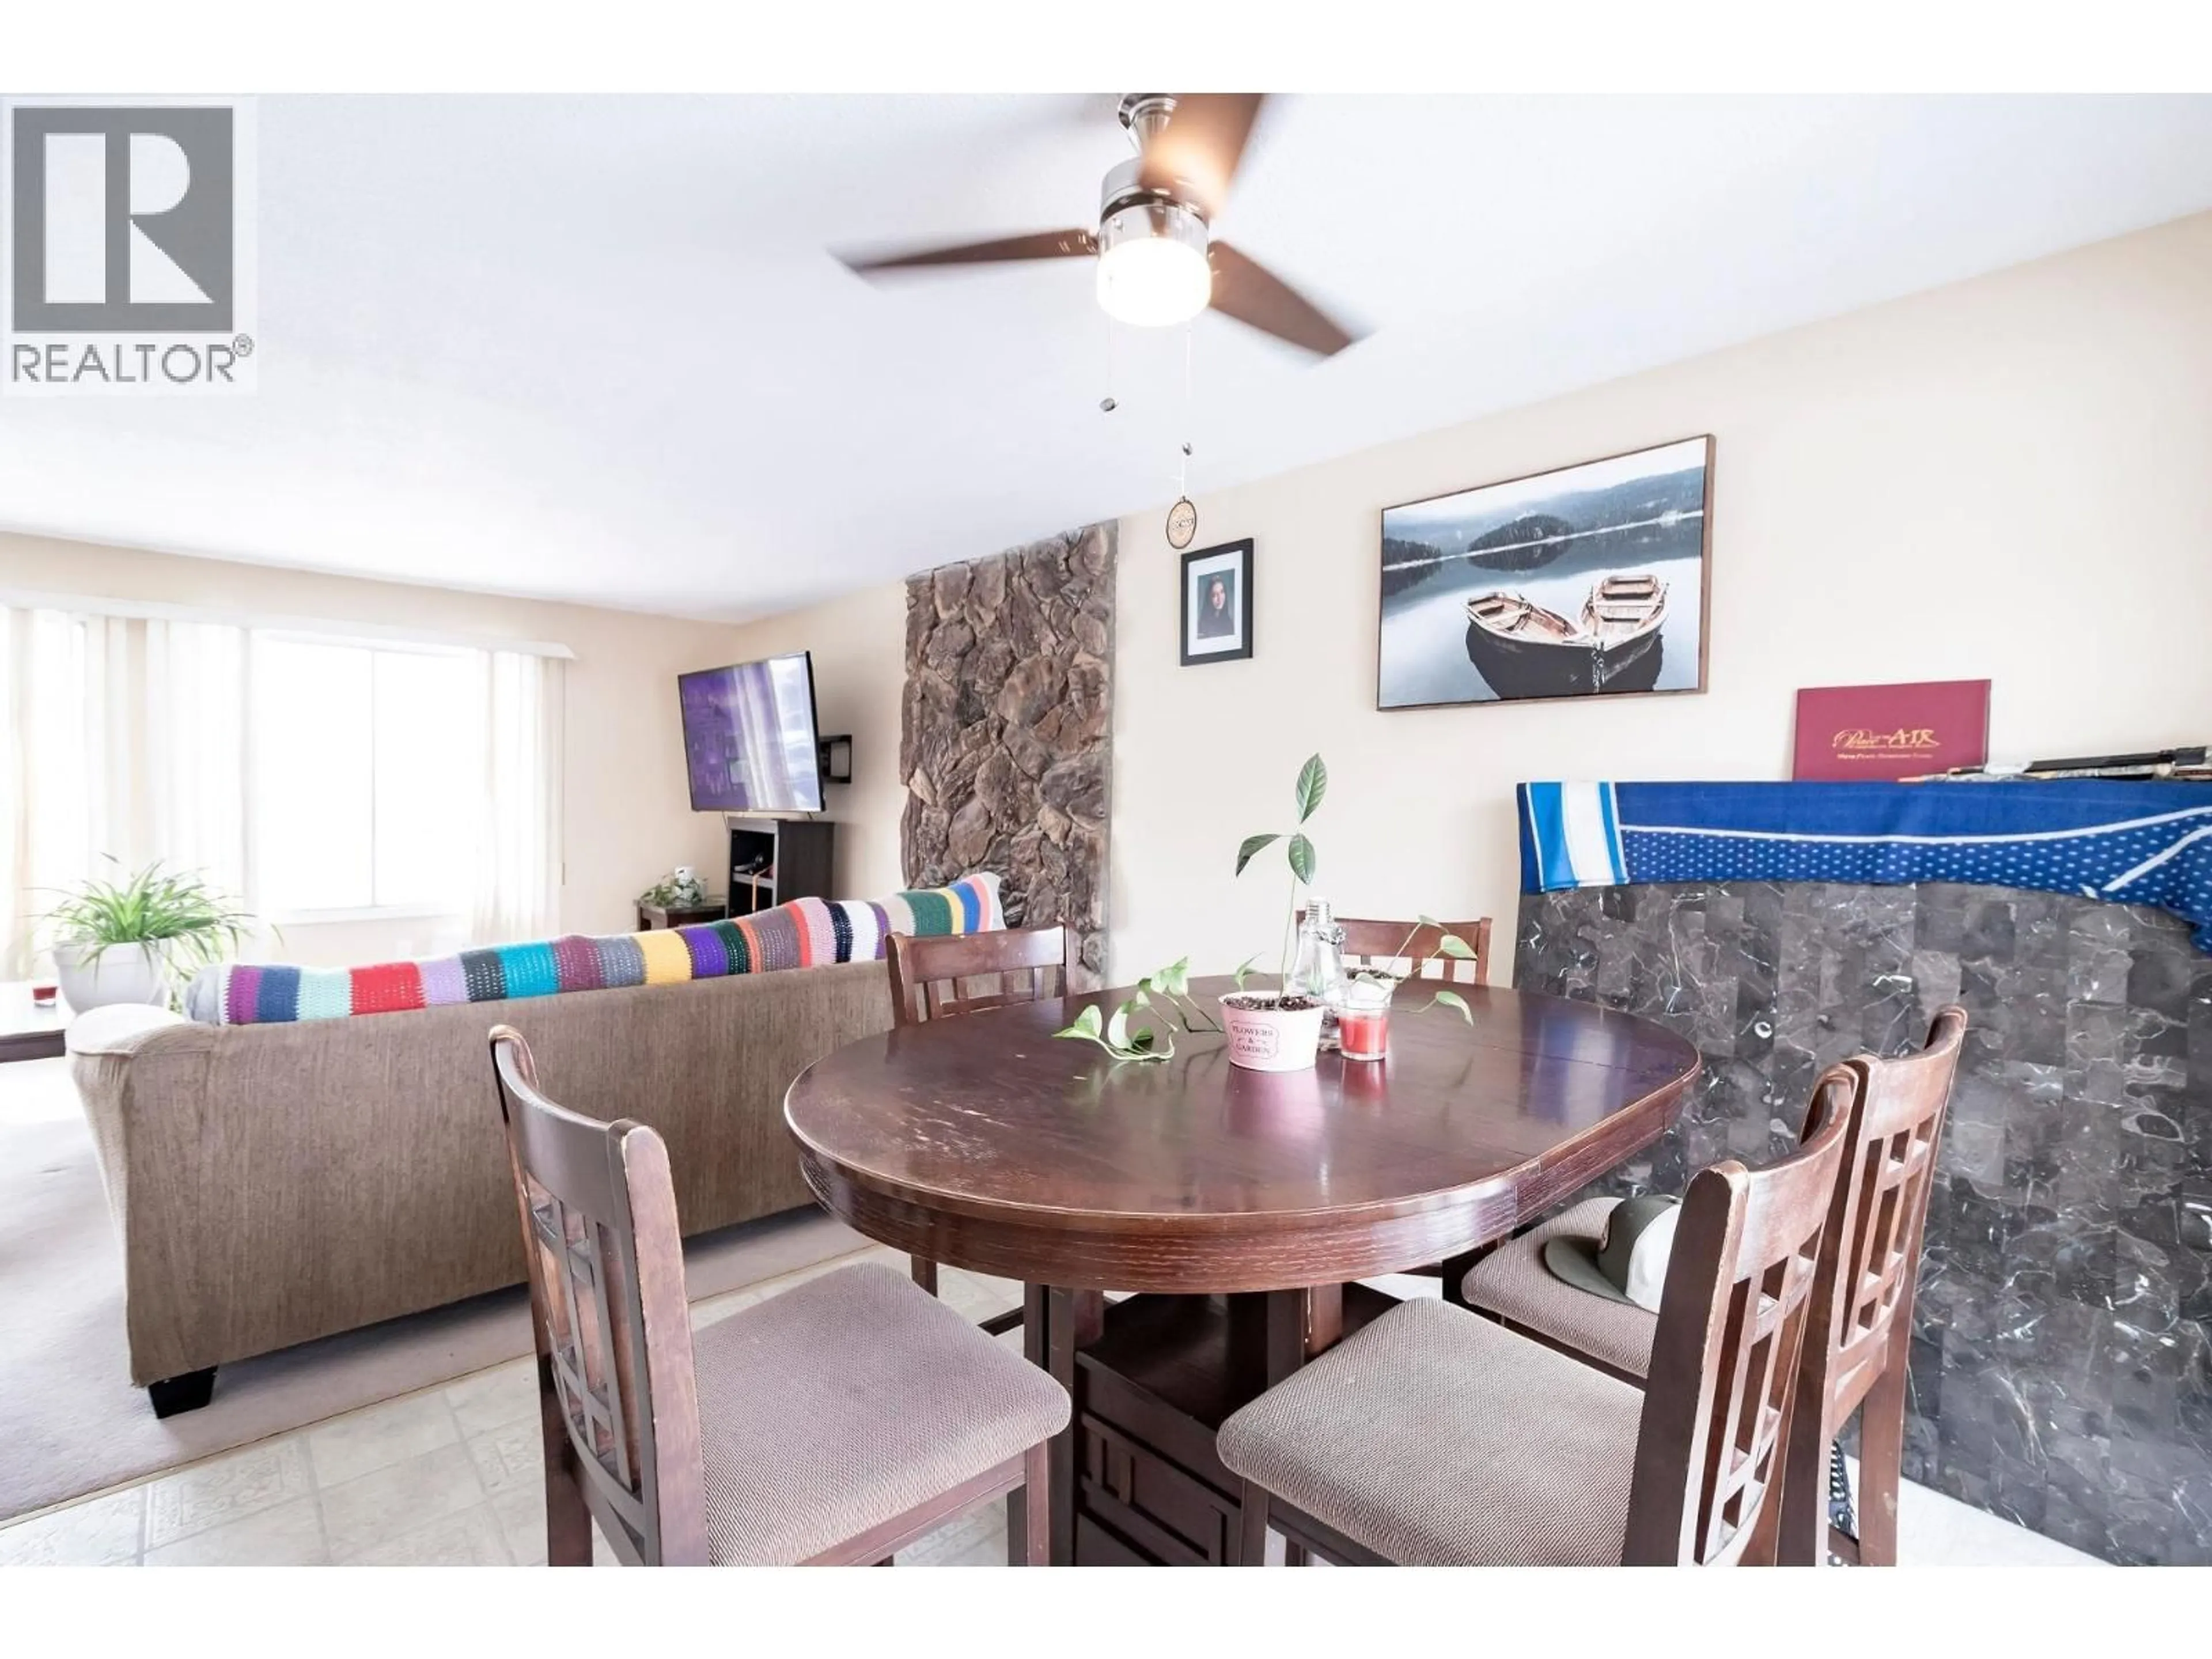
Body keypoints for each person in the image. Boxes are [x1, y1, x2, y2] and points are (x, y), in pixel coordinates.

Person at [1196, 573, 1236, 639]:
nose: (1220, 598)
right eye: (1215, 595)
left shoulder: (1230, 623)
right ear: (1209, 599)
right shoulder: (1201, 626)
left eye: (1222, 592)